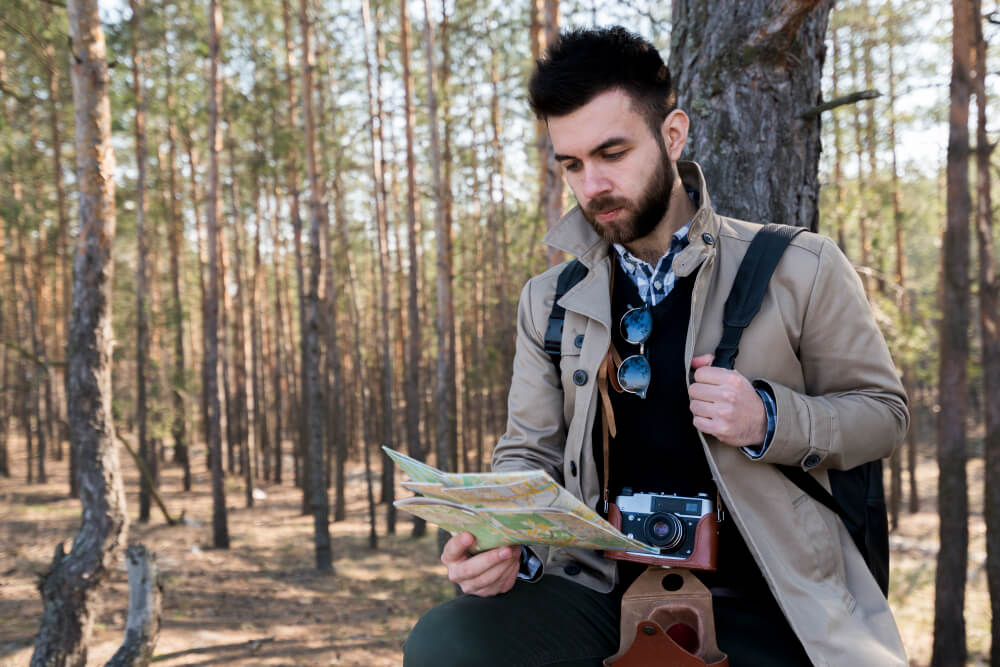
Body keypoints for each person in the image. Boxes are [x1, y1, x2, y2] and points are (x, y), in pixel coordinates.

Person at [403, 26, 908, 667]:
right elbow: (529, 452)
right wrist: (509, 544)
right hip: (600, 590)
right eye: (573, 164)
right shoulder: (550, 299)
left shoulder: (799, 266)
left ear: (672, 135)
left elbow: (883, 416)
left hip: (771, 593)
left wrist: (770, 419)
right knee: (448, 643)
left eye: (612, 153)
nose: (592, 185)